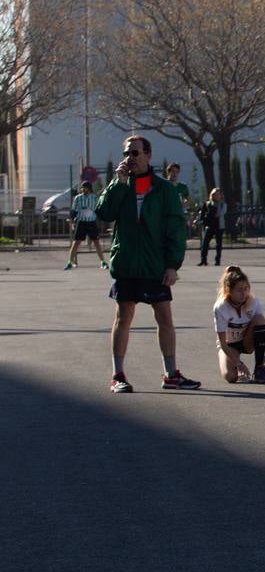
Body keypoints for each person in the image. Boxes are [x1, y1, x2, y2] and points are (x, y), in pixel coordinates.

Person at [96, 134, 200, 393]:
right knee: (123, 317)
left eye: (135, 153)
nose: (129, 158)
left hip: (155, 265)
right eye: (126, 153)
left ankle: (171, 374)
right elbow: (104, 213)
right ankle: (117, 375)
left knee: (164, 317)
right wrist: (116, 185)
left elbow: (176, 229)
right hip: (127, 263)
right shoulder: (120, 185)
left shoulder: (164, 189)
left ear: (148, 155)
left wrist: (172, 265)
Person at [214, 265, 265, 384]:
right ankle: (235, 367)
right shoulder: (220, 307)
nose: (244, 293)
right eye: (239, 290)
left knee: (259, 319)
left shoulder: (254, 302)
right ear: (228, 290)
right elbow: (223, 343)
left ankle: (259, 370)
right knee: (231, 377)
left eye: (246, 289)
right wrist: (239, 364)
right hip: (229, 345)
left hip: (247, 341)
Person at [65, 181, 108, 270]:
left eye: (85, 187)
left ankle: (103, 262)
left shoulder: (94, 198)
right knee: (76, 242)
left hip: (91, 222)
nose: (83, 189)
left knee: (96, 243)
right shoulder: (78, 198)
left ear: (89, 188)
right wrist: (73, 220)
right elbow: (74, 211)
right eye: (82, 188)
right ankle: (70, 262)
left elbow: (97, 208)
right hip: (81, 222)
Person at [198, 187, 225, 267]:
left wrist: (214, 212)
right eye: (215, 194)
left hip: (219, 226)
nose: (217, 196)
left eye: (218, 194)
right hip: (209, 226)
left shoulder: (222, 204)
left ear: (220, 195)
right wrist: (204, 220)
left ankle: (217, 261)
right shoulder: (207, 204)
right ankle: (203, 260)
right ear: (212, 195)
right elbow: (203, 215)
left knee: (218, 244)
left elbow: (220, 213)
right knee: (205, 244)